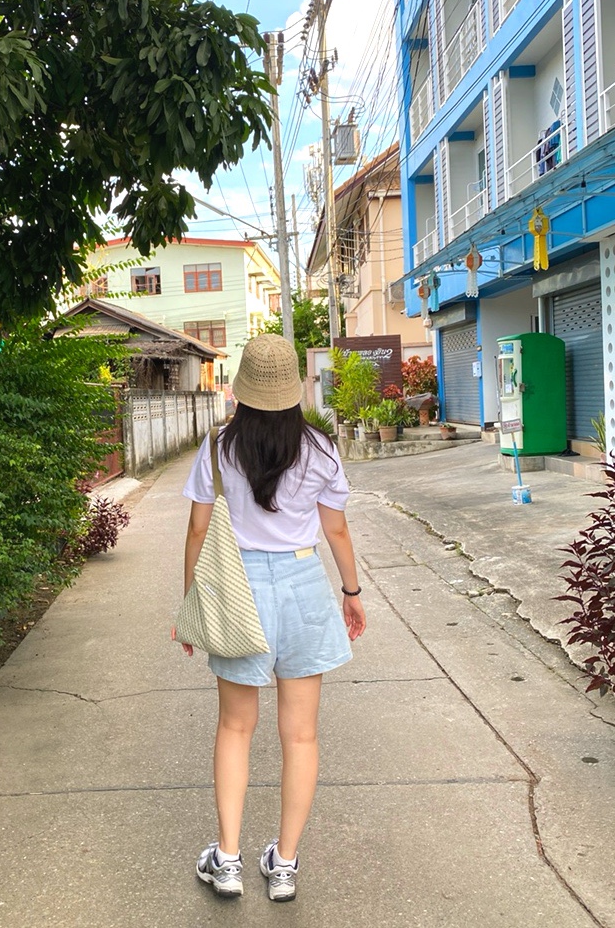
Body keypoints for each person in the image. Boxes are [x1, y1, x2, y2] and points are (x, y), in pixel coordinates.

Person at [172, 334, 366, 902]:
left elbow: (198, 530)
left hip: (240, 590)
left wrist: (193, 602)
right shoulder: (321, 448)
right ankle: (283, 865)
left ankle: (228, 859)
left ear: (242, 389)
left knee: (235, 727)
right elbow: (336, 529)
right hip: (304, 585)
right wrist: (351, 592)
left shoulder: (218, 447)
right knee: (300, 734)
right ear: (295, 390)